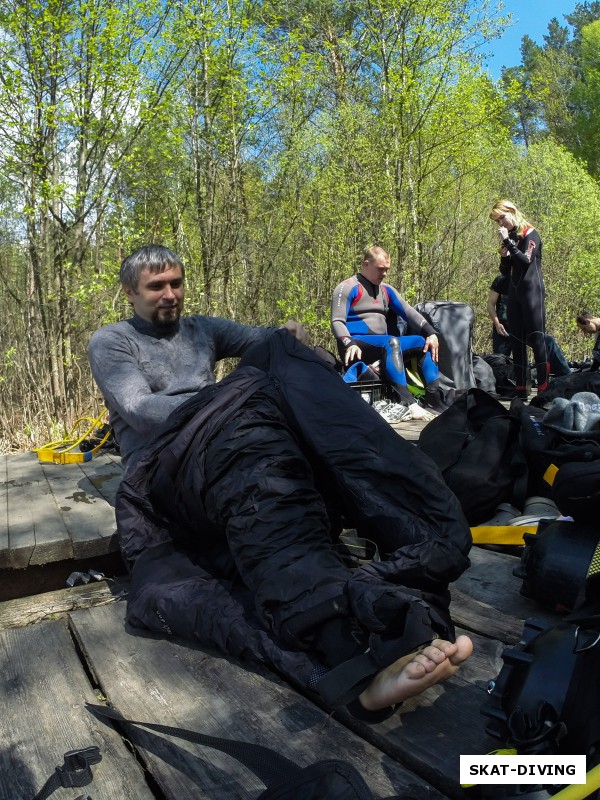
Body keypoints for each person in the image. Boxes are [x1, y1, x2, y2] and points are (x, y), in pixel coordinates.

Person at [89, 244, 473, 723]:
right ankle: (341, 644)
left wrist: (286, 341)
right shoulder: (112, 341)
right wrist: (230, 400)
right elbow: (139, 410)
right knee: (251, 430)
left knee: (282, 361)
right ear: (130, 293)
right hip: (162, 474)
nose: (169, 295)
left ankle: (417, 570)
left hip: (226, 444)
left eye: (176, 283)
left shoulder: (202, 329)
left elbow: (267, 341)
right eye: (155, 287)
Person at [330, 246, 447, 418]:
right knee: (393, 342)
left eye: (387, 270)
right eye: (380, 269)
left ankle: (434, 400)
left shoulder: (386, 290)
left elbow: (408, 312)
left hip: (387, 345)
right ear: (366, 264)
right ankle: (407, 403)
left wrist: (430, 332)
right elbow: (337, 320)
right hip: (356, 346)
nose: (384, 273)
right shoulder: (347, 287)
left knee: (425, 343)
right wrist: (348, 342)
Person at [489, 200, 549, 399]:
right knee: (516, 341)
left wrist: (508, 243)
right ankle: (522, 389)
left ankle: (543, 389)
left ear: (513, 212)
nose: (501, 224)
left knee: (537, 338)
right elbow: (506, 272)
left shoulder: (531, 233)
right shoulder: (511, 236)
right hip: (514, 293)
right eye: (498, 221)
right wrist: (504, 256)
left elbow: (524, 262)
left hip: (532, 292)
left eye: (502, 218)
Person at [487, 273, 571, 378]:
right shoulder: (501, 280)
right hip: (503, 328)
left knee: (548, 341)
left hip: (524, 327)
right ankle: (503, 385)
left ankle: (567, 376)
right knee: (500, 360)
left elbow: (536, 305)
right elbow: (491, 303)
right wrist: (496, 323)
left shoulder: (531, 279)